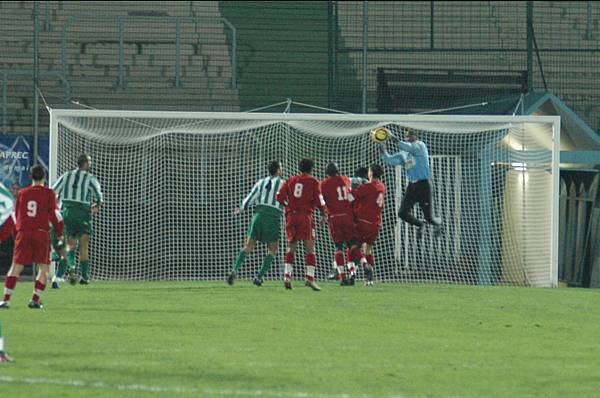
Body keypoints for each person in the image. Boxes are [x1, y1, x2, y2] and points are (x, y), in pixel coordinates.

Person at [0, 165, 63, 309]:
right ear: (44, 177)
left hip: (24, 232)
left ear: (31, 177)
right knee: (43, 268)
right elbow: (56, 215)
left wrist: (17, 235)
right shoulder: (49, 193)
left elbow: (16, 215)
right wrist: (59, 234)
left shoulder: (22, 193)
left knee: (16, 267)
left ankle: (6, 300)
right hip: (41, 233)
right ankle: (35, 300)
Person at [228, 161, 284, 287]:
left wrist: (241, 208)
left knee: (248, 246)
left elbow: (251, 197)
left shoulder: (261, 182)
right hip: (272, 216)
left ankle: (234, 270)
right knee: (273, 249)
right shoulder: (283, 184)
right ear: (278, 170)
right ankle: (258, 277)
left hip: (258, 215)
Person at [380, 128, 441, 238]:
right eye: (406, 136)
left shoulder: (420, 146)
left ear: (415, 136)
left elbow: (407, 147)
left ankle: (438, 224)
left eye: (410, 136)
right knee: (402, 213)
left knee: (429, 217)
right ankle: (420, 224)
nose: (408, 138)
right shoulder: (404, 154)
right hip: (412, 186)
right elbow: (390, 160)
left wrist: (391, 136)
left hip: (424, 185)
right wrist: (382, 146)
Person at [51, 154, 103, 285]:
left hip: (67, 212)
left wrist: (56, 201)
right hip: (82, 213)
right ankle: (84, 277)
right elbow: (98, 194)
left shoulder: (66, 175)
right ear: (85, 164)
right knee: (84, 246)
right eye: (90, 161)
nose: (91, 163)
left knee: (69, 245)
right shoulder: (90, 178)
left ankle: (59, 276)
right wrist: (97, 204)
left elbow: (53, 190)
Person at [276, 158, 323, 291]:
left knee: (291, 247)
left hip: (291, 216)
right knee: (310, 248)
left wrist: (288, 207)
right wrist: (323, 214)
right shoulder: (313, 181)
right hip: (304, 216)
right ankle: (309, 278)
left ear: (299, 168)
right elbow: (319, 200)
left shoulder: (290, 179)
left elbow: (279, 197)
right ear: (311, 169)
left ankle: (287, 276)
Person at [347, 164, 386, 286]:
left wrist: (348, 189)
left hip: (363, 222)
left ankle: (356, 271)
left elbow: (350, 197)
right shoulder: (382, 186)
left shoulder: (367, 187)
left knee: (352, 246)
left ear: (371, 173)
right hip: (376, 224)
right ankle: (369, 280)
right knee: (368, 249)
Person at [320, 162, 354, 285]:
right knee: (351, 246)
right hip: (348, 216)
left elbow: (322, 201)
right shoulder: (345, 179)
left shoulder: (323, 184)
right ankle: (353, 272)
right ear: (337, 170)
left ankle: (342, 276)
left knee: (339, 247)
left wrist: (324, 214)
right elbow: (351, 193)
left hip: (334, 218)